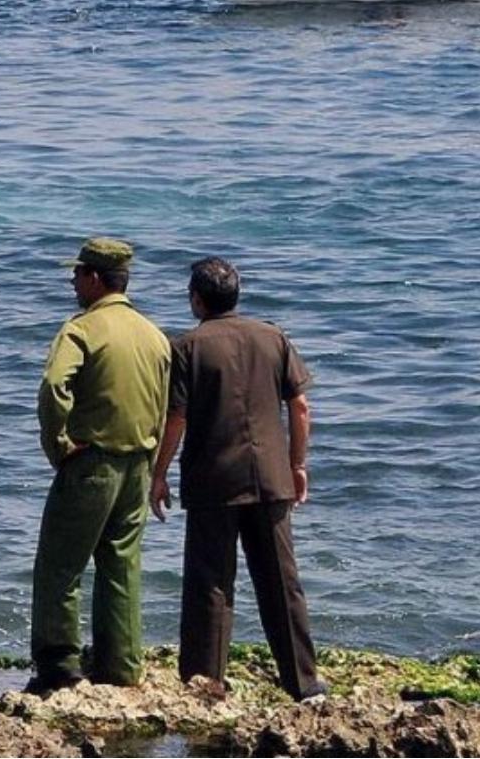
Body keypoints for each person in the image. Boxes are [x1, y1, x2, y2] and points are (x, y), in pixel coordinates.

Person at [151, 257, 327, 702]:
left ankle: (204, 684)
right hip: (271, 477)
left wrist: (159, 473)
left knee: (210, 584)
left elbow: (177, 418)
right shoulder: (273, 337)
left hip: (213, 480)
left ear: (196, 298)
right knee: (281, 582)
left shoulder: (187, 347)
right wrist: (298, 465)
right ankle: (304, 683)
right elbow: (301, 407)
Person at [27, 238, 171, 694]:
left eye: (77, 274)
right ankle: (121, 667)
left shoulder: (82, 330)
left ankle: (59, 667)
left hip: (90, 463)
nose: (72, 282)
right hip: (138, 464)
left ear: (94, 278)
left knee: (60, 567)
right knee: (122, 566)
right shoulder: (154, 335)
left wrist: (58, 445)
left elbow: (54, 386)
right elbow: (164, 405)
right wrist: (153, 463)